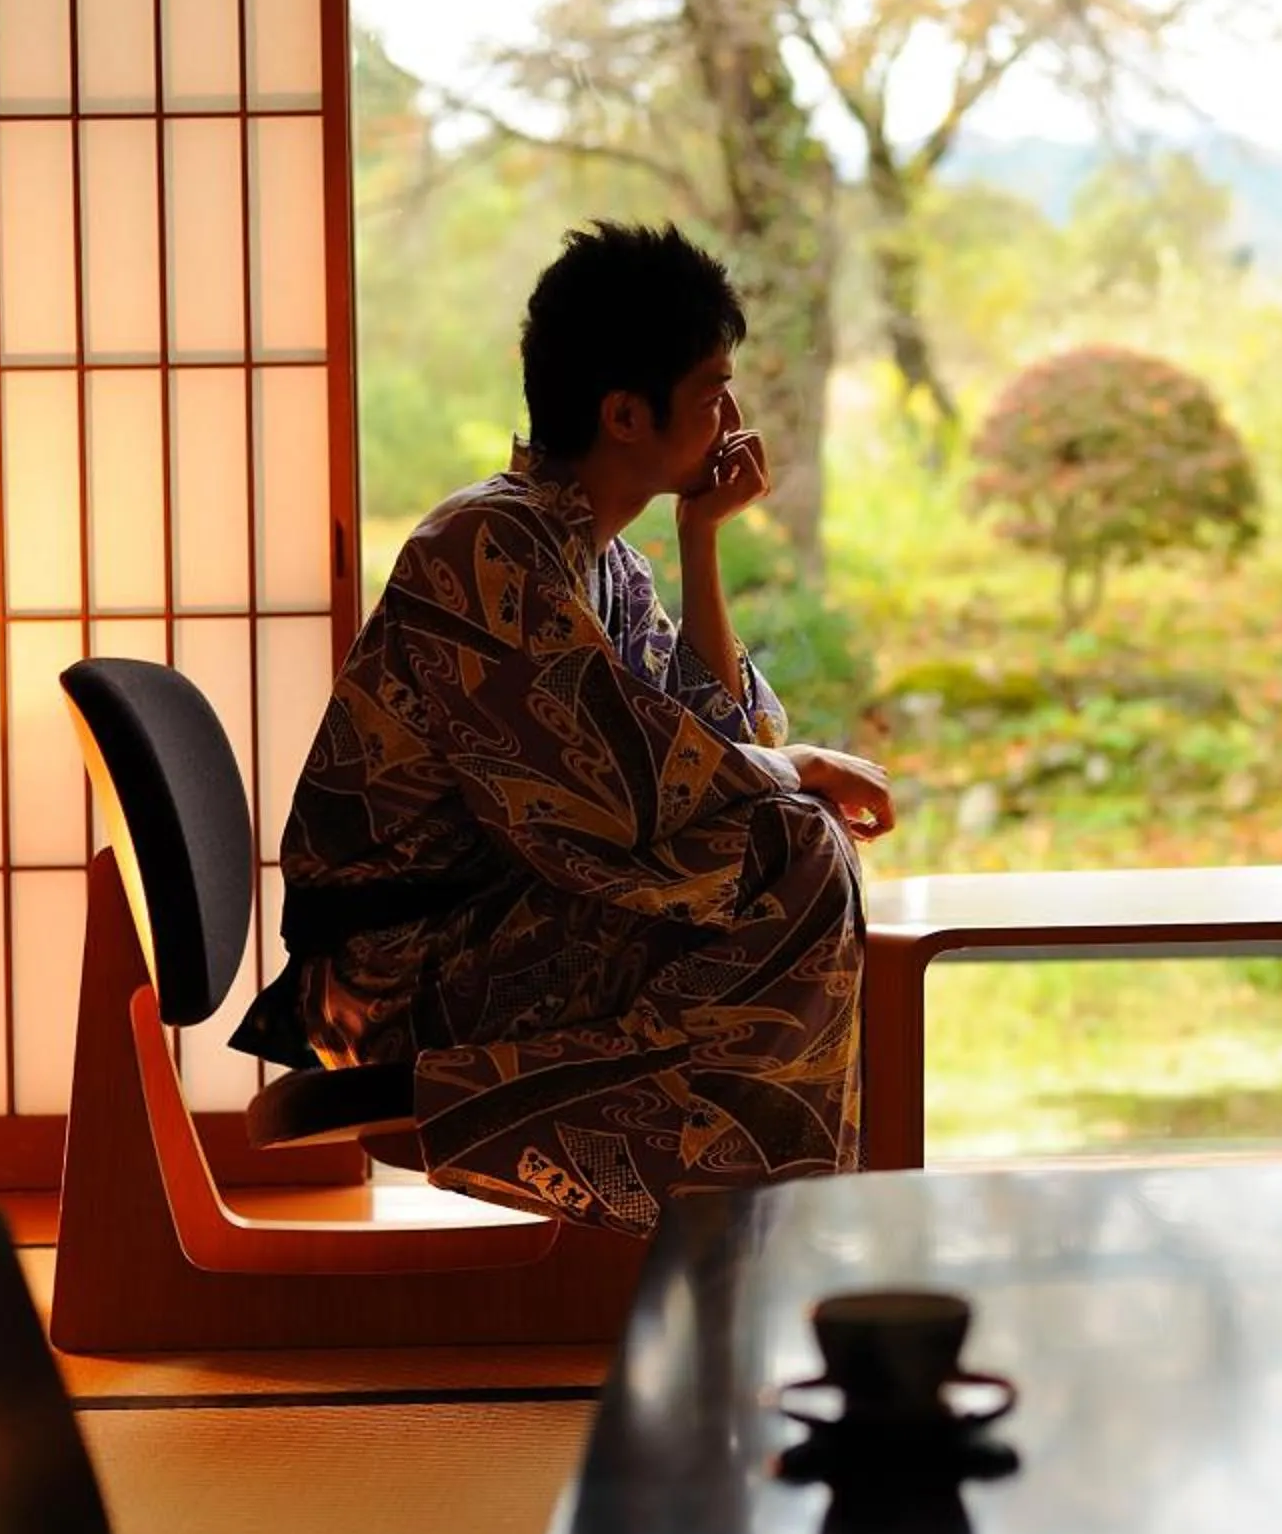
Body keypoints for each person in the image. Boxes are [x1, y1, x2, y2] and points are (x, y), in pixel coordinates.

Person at [233, 220, 894, 1235]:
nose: (731, 418)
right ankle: (741, 1210)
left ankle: (741, 1203)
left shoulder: (600, 559)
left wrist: (701, 538)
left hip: (490, 937)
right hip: (393, 983)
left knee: (793, 843)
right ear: (625, 412)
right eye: (713, 389)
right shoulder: (487, 546)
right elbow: (614, 797)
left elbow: (714, 732)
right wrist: (792, 768)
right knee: (790, 847)